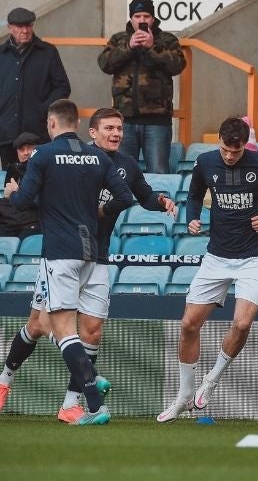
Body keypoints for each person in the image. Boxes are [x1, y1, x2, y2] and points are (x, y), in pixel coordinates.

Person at [0, 108, 176, 422]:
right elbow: (50, 198)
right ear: (90, 131)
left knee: (90, 332)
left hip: (96, 254)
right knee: (38, 324)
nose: (116, 134)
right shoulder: (83, 160)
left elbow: (140, 195)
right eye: (109, 128)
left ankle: (71, 402)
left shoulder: (121, 164)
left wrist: (161, 201)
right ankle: (5, 381)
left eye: (120, 128)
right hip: (65, 251)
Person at [157, 117, 258, 422]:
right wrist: (192, 218)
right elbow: (194, 194)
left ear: (244, 145)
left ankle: (211, 380)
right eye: (225, 149)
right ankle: (184, 395)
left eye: (235, 152)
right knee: (188, 325)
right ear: (219, 141)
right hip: (216, 257)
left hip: (254, 256)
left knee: (242, 323)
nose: (229, 156)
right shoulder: (205, 162)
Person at [97, 0, 186, 174]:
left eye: (146, 16)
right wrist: (129, 47)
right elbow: (104, 64)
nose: (142, 20)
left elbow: (178, 65)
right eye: (137, 16)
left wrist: (152, 47)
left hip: (157, 121)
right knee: (122, 172)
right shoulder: (119, 39)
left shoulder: (167, 40)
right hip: (124, 120)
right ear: (131, 18)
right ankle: (123, 203)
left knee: (158, 172)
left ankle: (158, 202)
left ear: (153, 19)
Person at [0, 7, 70, 167]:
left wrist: (43, 110)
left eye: (29, 25)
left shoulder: (48, 52)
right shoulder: (1, 54)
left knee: (42, 179)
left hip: (38, 133)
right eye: (19, 26)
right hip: (6, 133)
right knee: (10, 181)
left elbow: (62, 87)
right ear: (10, 28)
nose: (25, 31)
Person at [0, 132, 41, 238]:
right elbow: (8, 197)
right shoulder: (14, 169)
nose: (25, 153)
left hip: (33, 217)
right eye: (21, 150)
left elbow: (41, 200)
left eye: (29, 148)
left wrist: (18, 193)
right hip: (13, 218)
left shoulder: (44, 169)